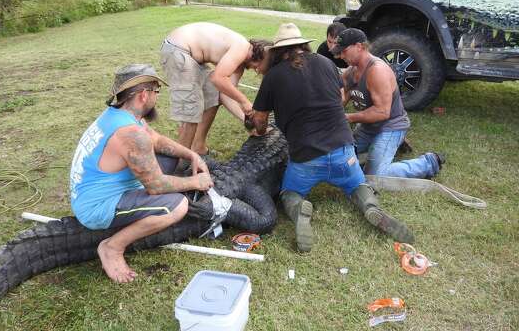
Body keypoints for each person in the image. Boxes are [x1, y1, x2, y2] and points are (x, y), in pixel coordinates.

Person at [249, 23, 414, 253]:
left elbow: (260, 120)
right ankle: (369, 205)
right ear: (303, 44)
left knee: (290, 193)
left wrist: (258, 130)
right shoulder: (327, 63)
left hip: (305, 159)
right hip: (344, 152)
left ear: (277, 50)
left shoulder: (273, 77)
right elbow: (338, 100)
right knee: (358, 184)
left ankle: (299, 210)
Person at [69, 64, 214, 283]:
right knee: (177, 206)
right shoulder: (130, 134)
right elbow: (156, 186)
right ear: (144, 95)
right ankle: (112, 247)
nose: (157, 96)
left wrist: (191, 154)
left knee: (170, 155)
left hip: (102, 188)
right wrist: (195, 181)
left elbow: (156, 140)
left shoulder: (124, 115)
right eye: (157, 91)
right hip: (97, 206)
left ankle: (133, 214)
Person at [331, 28, 445, 178]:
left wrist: (349, 117)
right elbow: (340, 101)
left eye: (344, 50)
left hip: (390, 127)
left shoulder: (377, 71)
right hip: (367, 128)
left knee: (374, 175)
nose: (340, 55)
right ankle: (388, 148)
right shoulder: (350, 73)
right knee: (338, 158)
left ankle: (429, 162)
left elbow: (382, 112)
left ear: (359, 46)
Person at [160, 22, 270, 155]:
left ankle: (198, 147)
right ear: (261, 56)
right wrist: (244, 101)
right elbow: (217, 78)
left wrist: (249, 121)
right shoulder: (242, 48)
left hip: (191, 56)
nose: (258, 71)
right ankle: (180, 165)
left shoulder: (239, 64)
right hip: (178, 49)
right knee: (190, 113)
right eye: (262, 67)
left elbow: (224, 95)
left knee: (214, 93)